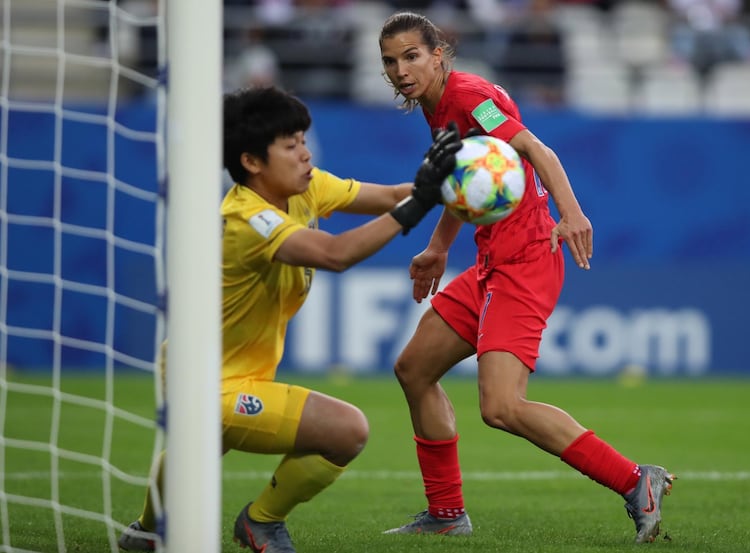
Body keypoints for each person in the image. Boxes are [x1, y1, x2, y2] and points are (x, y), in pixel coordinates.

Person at [117, 85, 462, 553]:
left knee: (198, 451)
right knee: (348, 430)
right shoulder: (247, 219)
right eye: (290, 144)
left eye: (303, 139)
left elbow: (394, 196)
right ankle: (260, 522)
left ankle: (145, 530)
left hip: (227, 371)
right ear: (252, 162)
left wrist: (445, 184)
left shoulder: (307, 187)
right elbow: (335, 254)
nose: (304, 153)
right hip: (205, 384)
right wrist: (416, 205)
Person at [377, 11, 676, 544]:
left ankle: (637, 481)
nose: (400, 69)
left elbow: (535, 149)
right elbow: (465, 181)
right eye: (390, 61)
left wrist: (572, 213)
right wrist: (439, 248)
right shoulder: (438, 107)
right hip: (492, 262)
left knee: (501, 406)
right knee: (414, 368)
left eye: (411, 56)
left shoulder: (467, 96)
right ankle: (446, 515)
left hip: (526, 261)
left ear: (438, 55)